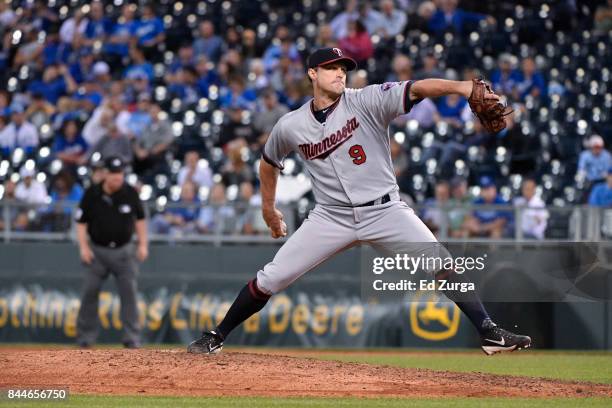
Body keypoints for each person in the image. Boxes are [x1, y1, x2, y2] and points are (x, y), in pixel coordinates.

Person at [188, 47, 531, 356]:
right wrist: (268, 208)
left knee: (441, 261)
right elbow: (268, 162)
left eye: (343, 68)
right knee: (271, 279)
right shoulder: (290, 125)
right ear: (312, 74)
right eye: (330, 68)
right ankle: (217, 335)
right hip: (330, 217)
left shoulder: (366, 100)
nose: (339, 73)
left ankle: (489, 333)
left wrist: (462, 88)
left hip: (384, 210)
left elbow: (418, 88)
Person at [75, 156, 148, 349]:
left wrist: (143, 245)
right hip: (97, 251)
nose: (118, 178)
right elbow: (81, 223)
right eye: (114, 174)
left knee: (129, 294)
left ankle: (132, 337)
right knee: (89, 292)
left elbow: (140, 219)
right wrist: (83, 247)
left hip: (124, 252)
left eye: (120, 174)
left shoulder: (130, 193)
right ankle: (85, 337)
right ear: (105, 174)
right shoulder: (92, 193)